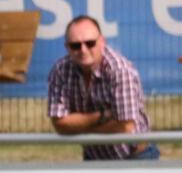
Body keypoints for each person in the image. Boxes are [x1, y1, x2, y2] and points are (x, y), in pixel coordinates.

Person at [47, 15, 158, 160]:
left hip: (136, 155)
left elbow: (125, 127)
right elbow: (60, 125)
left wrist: (79, 128)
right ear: (67, 47)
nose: (83, 50)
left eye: (90, 43)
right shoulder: (60, 71)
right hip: (94, 156)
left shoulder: (120, 70)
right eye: (76, 45)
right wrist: (102, 116)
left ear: (102, 42)